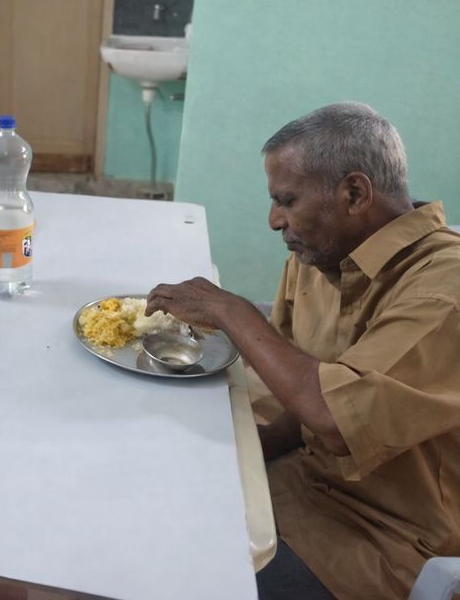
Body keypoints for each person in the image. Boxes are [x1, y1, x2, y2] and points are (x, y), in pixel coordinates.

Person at [145, 102, 460, 600]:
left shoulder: (446, 294)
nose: (275, 220)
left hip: (382, 538)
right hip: (296, 482)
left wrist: (234, 313)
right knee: (148, 512)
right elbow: (292, 392)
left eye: (287, 200)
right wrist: (223, 461)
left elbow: (332, 416)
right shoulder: (323, 250)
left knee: (181, 580)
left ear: (355, 193)